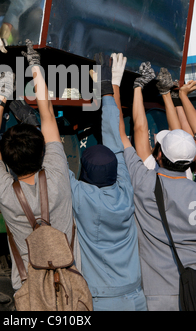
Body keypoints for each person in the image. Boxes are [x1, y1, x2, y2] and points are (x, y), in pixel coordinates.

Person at [0, 40, 81, 293]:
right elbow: (47, 114)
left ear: (8, 161)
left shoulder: (6, 193)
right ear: (43, 152)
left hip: (30, 294)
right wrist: (34, 65)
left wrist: (1, 96)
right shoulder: (58, 176)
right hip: (70, 288)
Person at [113, 53, 196, 311]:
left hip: (160, 295)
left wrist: (135, 88)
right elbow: (181, 136)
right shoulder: (191, 181)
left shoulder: (146, 179)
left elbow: (135, 130)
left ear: (158, 153)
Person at [68, 53, 147, 311]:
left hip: (104, 301)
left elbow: (56, 164)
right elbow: (115, 144)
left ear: (85, 174)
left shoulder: (80, 196)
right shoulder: (126, 189)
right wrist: (109, 89)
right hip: (136, 295)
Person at [132, 62, 194, 179]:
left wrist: (166, 93)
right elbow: (140, 129)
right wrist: (138, 86)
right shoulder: (152, 171)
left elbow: (141, 129)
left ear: (160, 155)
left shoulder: (187, 175)